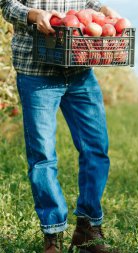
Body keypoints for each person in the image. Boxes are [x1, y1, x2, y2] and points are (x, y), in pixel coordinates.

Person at [0, 1, 120, 252]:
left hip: (79, 68)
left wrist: (104, 11)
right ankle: (52, 233)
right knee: (43, 156)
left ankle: (87, 229)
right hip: (36, 70)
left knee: (96, 149)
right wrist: (34, 15)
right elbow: (7, 5)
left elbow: (89, 3)